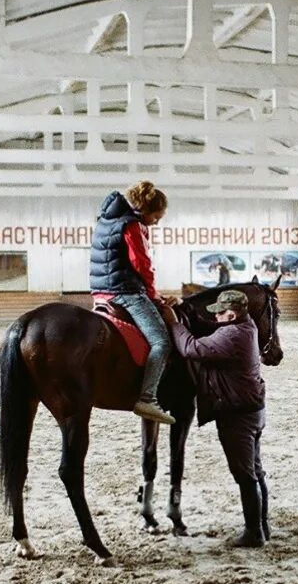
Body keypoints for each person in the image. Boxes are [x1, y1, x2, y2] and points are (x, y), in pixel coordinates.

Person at [166, 289, 269, 548]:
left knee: (245, 475)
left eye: (221, 312)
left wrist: (174, 323)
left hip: (237, 415)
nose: (217, 316)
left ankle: (254, 533)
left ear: (231, 314)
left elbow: (191, 348)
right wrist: (185, 308)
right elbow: (209, 326)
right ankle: (263, 525)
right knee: (255, 471)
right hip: (251, 410)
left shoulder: (232, 336)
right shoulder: (246, 325)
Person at [89, 181, 178, 425]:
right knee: (161, 342)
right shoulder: (132, 225)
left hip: (100, 293)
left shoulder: (106, 220)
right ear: (146, 211)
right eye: (156, 217)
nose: (156, 222)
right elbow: (142, 265)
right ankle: (147, 398)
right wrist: (154, 295)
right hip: (125, 292)